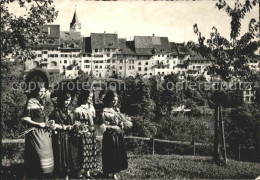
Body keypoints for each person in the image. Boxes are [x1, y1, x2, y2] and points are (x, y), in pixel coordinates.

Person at [21, 70, 54, 179]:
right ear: (35, 90)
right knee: (37, 156)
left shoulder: (41, 102)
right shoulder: (30, 101)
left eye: (44, 91)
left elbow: (42, 116)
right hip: (34, 133)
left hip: (43, 133)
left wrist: (48, 121)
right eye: (40, 91)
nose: (42, 93)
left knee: (45, 155)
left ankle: (43, 176)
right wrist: (38, 125)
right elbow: (25, 118)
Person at [49, 92, 81, 179]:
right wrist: (66, 127)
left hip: (70, 138)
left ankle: (69, 176)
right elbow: (52, 125)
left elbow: (73, 122)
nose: (67, 102)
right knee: (62, 159)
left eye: (69, 101)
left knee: (70, 158)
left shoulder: (70, 111)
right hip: (60, 138)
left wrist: (76, 126)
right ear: (61, 100)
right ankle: (62, 177)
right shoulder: (55, 112)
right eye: (66, 100)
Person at [100, 90, 128, 179]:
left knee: (117, 153)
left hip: (117, 135)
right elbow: (102, 125)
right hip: (109, 135)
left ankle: (115, 172)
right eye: (113, 100)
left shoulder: (117, 110)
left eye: (116, 100)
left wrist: (121, 124)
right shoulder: (104, 110)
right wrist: (113, 127)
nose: (115, 102)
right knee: (110, 154)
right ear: (108, 100)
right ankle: (108, 172)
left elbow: (119, 121)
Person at [73, 90, 97, 178]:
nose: (90, 98)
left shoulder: (91, 107)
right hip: (82, 132)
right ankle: (79, 173)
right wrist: (79, 129)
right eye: (89, 97)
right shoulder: (78, 109)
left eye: (91, 97)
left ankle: (87, 173)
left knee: (89, 152)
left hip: (90, 132)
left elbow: (94, 119)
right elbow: (75, 121)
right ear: (84, 97)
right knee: (81, 152)